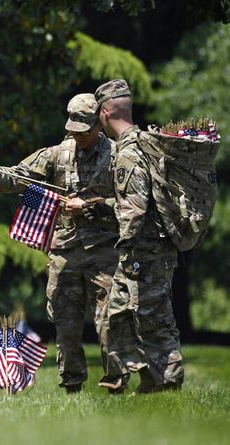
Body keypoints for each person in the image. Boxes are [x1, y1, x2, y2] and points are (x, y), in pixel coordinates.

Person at [0, 93, 119, 393]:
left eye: (84, 131)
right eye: (73, 130)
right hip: (64, 252)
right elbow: (15, 178)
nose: (78, 136)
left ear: (100, 124)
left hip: (105, 252)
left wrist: (89, 206)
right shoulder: (56, 155)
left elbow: (132, 203)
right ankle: (72, 382)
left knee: (109, 320)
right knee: (65, 322)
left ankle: (115, 380)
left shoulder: (119, 156)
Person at [94, 79, 184, 394]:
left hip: (144, 251)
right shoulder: (143, 142)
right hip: (153, 248)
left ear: (104, 114)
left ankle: (167, 381)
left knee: (149, 317)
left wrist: (123, 250)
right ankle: (145, 378)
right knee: (124, 314)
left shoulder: (129, 152)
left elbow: (133, 207)